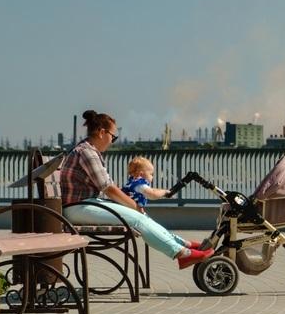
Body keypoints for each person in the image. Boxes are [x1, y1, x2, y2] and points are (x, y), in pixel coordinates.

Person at [59, 110, 213, 269]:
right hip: (78, 208)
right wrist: (133, 205)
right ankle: (182, 253)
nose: (113, 141)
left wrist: (133, 206)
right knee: (137, 218)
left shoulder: (89, 151)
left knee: (141, 216)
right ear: (101, 132)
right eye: (113, 136)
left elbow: (108, 187)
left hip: (84, 204)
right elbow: (108, 188)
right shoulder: (87, 153)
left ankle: (183, 245)